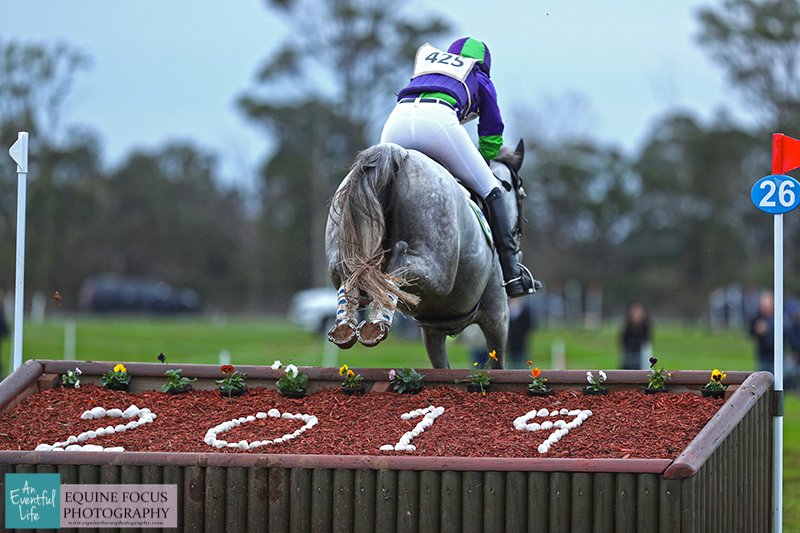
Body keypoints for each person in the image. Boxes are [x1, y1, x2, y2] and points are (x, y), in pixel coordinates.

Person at [380, 37, 539, 298]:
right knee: (493, 190)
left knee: (379, 191)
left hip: (396, 120)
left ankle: (368, 258)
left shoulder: (432, 66)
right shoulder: (478, 75)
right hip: (437, 121)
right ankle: (512, 276)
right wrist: (482, 163)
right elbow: (491, 136)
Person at [619, 302, 651, 370]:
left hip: (641, 355)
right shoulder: (627, 326)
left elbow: (647, 341)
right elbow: (623, 340)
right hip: (628, 355)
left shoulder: (645, 326)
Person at [506, 298, 537, 368]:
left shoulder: (525, 309)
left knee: (521, 360)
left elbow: (529, 324)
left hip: (521, 340)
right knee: (512, 361)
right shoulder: (507, 308)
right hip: (511, 341)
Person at [749, 291, 774, 373]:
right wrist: (757, 330)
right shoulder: (757, 317)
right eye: (764, 306)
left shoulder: (778, 317)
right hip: (763, 354)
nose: (765, 309)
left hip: (776, 353)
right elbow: (750, 332)